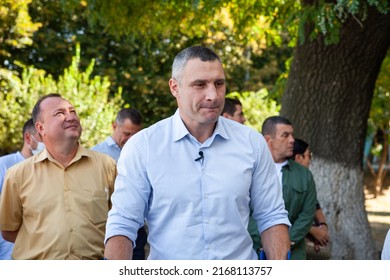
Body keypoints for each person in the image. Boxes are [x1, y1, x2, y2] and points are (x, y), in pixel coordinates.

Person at [104, 45, 291, 260]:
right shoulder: (143, 147)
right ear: (175, 87)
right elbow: (123, 224)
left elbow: (272, 216)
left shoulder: (252, 143)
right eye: (200, 85)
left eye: (219, 84)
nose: (212, 95)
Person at [0, 93, 117, 259]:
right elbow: (9, 231)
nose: (70, 117)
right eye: (59, 113)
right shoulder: (17, 175)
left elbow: (119, 222)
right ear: (40, 128)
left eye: (72, 111)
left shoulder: (107, 166)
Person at [92, 108, 147, 260]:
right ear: (114, 126)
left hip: (138, 227)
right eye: (127, 134)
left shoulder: (141, 152)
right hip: (109, 225)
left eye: (135, 135)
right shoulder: (97, 155)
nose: (131, 140)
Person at [261, 116, 317, 260]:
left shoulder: (304, 175)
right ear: (268, 140)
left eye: (292, 134)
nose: (292, 140)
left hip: (293, 252)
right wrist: (262, 239)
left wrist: (284, 240)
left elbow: (307, 214)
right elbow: (243, 210)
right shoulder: (251, 170)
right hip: (255, 250)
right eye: (285, 135)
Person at [0, 118, 44, 260]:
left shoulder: (48, 169)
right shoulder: (4, 165)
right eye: (41, 137)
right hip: (8, 251)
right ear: (28, 138)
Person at [293, 138, 331, 259]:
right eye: (309, 156)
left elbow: (315, 205)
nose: (310, 161)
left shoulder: (306, 179)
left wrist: (323, 227)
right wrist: (312, 231)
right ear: (299, 158)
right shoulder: (283, 179)